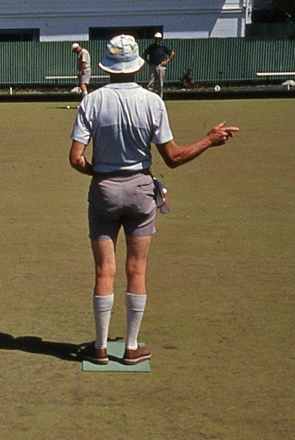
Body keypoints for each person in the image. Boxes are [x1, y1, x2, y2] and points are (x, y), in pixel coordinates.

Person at [68, 35, 238, 365]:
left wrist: (102, 174)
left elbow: (76, 158)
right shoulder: (152, 102)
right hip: (142, 191)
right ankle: (131, 347)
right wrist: (209, 140)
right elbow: (172, 157)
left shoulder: (91, 102)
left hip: (103, 190)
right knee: (137, 269)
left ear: (107, 65)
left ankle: (100, 347)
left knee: (104, 270)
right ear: (136, 65)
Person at [145, 32, 175, 97]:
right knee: (150, 84)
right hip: (152, 66)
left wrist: (167, 61)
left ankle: (160, 98)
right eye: (156, 39)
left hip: (161, 66)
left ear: (161, 39)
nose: (157, 40)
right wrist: (148, 61)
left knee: (160, 84)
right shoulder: (151, 47)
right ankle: (150, 99)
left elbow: (172, 53)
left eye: (158, 39)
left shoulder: (163, 47)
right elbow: (144, 54)